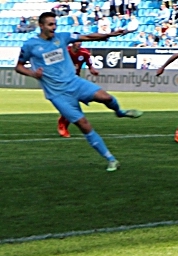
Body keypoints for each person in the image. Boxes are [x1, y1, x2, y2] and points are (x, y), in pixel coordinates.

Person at [15, 12, 141, 171]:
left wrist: (108, 34)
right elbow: (18, 67)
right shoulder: (30, 45)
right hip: (57, 94)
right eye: (50, 24)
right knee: (84, 124)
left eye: (55, 24)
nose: (54, 27)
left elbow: (87, 37)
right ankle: (111, 159)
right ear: (41, 26)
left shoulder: (62, 37)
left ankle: (120, 112)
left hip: (75, 83)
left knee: (106, 97)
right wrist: (33, 74)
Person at [54, 41, 101, 137]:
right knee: (71, 104)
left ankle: (63, 122)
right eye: (77, 42)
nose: (79, 43)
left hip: (75, 81)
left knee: (73, 104)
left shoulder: (84, 53)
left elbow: (90, 65)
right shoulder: (64, 51)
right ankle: (63, 125)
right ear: (72, 43)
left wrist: (93, 70)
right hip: (62, 80)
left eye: (80, 42)